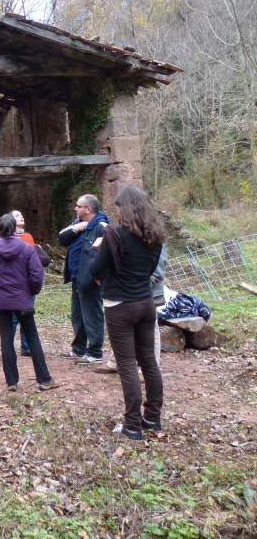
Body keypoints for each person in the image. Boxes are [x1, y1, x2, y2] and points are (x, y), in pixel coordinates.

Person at [88, 186, 166, 440]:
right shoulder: (154, 235)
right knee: (149, 362)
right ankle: (152, 417)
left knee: (127, 365)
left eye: (119, 206)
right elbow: (150, 270)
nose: (117, 211)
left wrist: (96, 249)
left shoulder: (113, 234)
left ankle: (132, 424)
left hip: (120, 306)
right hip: (146, 303)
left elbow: (95, 270)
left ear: (126, 208)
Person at [0, 214, 60, 392]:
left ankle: (12, 382)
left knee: (6, 339)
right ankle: (44, 379)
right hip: (23, 300)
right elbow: (37, 275)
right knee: (32, 338)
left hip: (2, 302)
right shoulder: (27, 249)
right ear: (15, 229)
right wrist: (31, 292)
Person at [96, 245, 169, 374]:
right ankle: (115, 362)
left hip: (148, 294)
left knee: (152, 330)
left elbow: (159, 273)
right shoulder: (131, 240)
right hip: (130, 294)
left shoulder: (154, 242)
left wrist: (135, 285)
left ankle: (149, 369)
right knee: (123, 327)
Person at [58, 194, 109, 364]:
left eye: (78, 206)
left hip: (91, 281)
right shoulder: (77, 223)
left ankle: (95, 352)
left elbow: (108, 253)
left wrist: (98, 276)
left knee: (92, 315)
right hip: (77, 278)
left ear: (88, 209)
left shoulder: (101, 227)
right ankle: (79, 348)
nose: (75, 208)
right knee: (78, 315)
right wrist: (75, 229)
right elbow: (62, 238)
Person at [10, 209, 45, 357]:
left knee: (27, 314)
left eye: (21, 214)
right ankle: (8, 347)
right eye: (17, 215)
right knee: (13, 317)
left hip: (29, 282)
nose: (21, 216)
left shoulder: (29, 236)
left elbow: (35, 259)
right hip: (16, 282)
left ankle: (26, 347)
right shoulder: (9, 238)